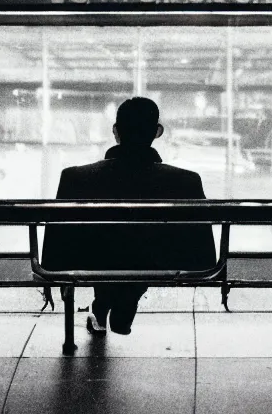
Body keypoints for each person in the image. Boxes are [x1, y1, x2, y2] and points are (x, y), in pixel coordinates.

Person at [42, 97, 216, 336]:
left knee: (106, 249)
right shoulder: (187, 181)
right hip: (157, 262)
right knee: (139, 249)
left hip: (91, 260)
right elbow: (202, 250)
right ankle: (125, 301)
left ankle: (105, 301)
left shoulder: (74, 178)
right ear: (157, 132)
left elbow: (58, 244)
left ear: (115, 131)